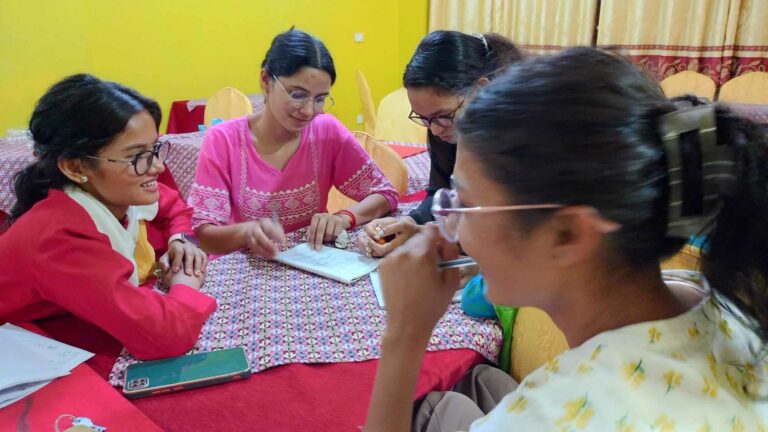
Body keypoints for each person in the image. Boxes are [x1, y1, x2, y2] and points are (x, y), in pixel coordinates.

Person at [365, 48, 768, 431]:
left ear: (567, 234)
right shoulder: (707, 298)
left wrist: (404, 333)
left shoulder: (549, 416)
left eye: (467, 204)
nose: (449, 225)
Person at [0, 74, 216, 360]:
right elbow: (164, 336)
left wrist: (181, 239)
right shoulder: (59, 238)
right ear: (75, 168)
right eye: (136, 155)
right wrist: (186, 283)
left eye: (154, 148)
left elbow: (173, 205)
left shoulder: (113, 193)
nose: (158, 166)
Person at [189, 28, 398, 256]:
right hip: (242, 273)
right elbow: (204, 236)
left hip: (313, 265)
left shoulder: (326, 131)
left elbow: (385, 194)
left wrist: (343, 218)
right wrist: (247, 232)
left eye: (320, 99)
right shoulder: (224, 139)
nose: (308, 111)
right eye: (297, 94)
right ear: (266, 80)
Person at [359, 30, 522, 257]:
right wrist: (411, 222)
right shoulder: (445, 128)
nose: (435, 129)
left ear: (482, 89)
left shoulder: (525, 136)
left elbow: (523, 231)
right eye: (424, 119)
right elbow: (442, 192)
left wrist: (428, 235)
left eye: (443, 115)